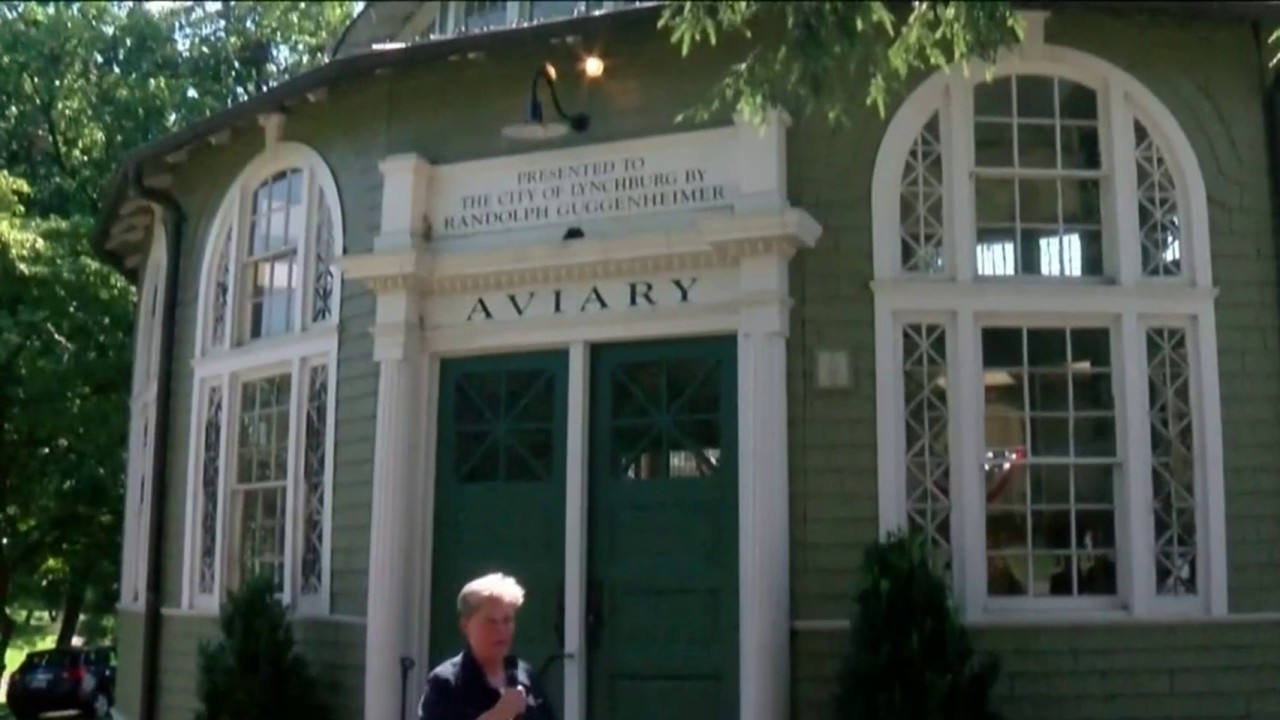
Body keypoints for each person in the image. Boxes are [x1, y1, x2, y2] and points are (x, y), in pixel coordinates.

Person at [418, 572, 556, 720]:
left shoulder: (525, 675)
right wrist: (499, 714)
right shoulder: (446, 682)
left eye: (507, 620)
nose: (501, 630)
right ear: (465, 626)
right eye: (491, 621)